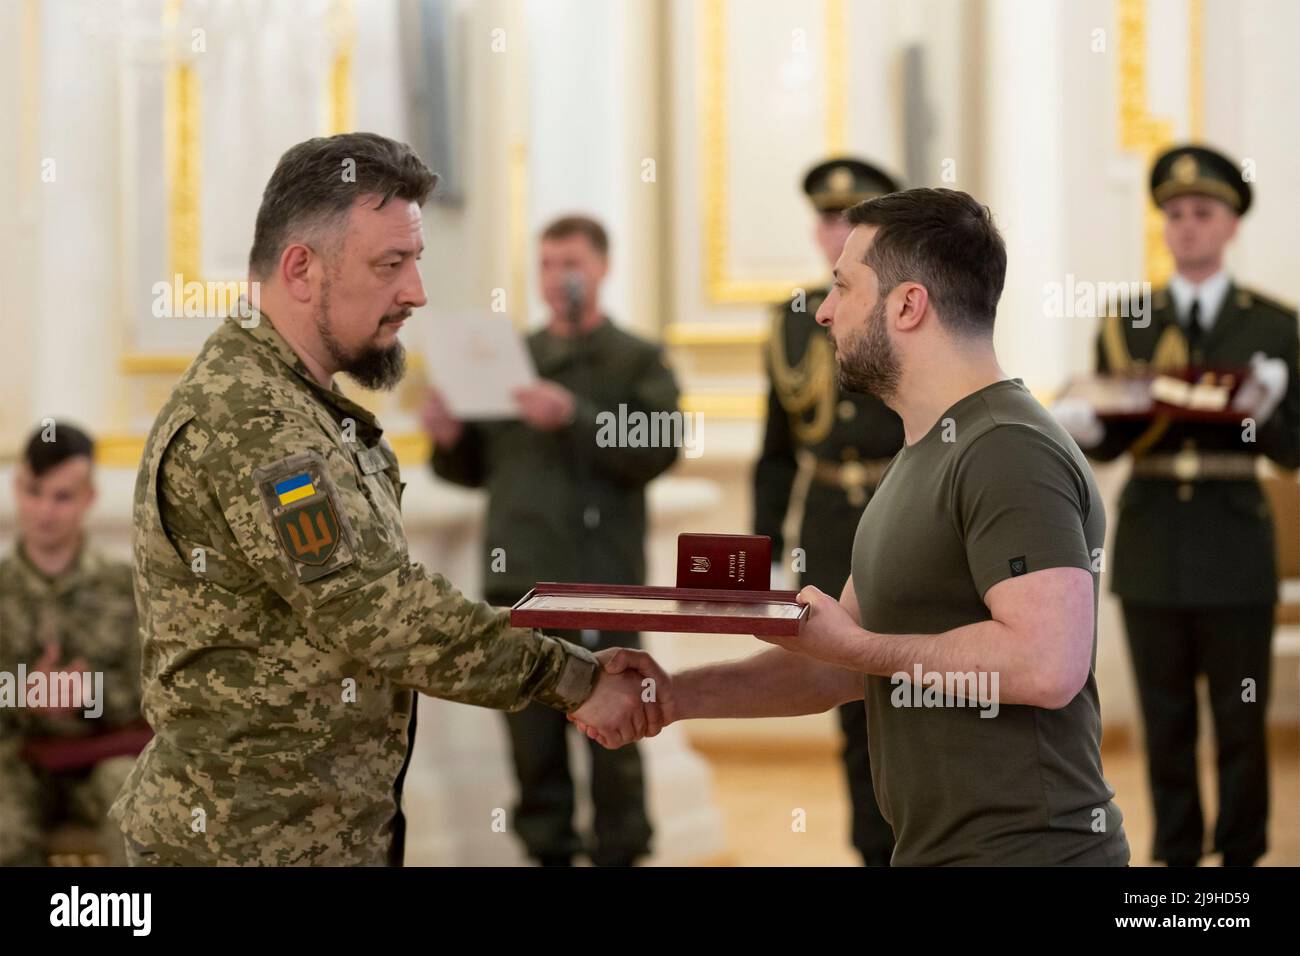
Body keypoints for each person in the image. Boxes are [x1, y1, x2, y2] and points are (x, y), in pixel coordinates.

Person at [109, 132, 660, 866]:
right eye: (390, 265)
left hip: (315, 834)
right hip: (244, 842)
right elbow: (380, 610)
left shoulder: (298, 403)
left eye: (416, 261)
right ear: (301, 269)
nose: (416, 292)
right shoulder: (253, 418)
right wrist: (573, 678)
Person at [577, 188, 1131, 866]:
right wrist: (672, 694)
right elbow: (836, 669)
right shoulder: (924, 450)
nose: (826, 310)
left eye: (844, 287)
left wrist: (857, 648)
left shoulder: (1008, 448)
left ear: (907, 305)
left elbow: (1045, 664)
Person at [1055, 144, 1298, 866]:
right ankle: (1178, 864)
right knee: (1164, 722)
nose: (1188, 226)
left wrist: (1270, 408)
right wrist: (1086, 429)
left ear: (1230, 226)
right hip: (1154, 538)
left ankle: (1245, 858)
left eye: (1204, 213)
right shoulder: (1127, 320)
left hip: (1234, 539)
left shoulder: (1274, 325)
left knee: (1241, 716)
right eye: (1176, 214)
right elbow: (1109, 444)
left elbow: (1293, 451)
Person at [423, 215, 680, 866]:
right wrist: (449, 435)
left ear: (601, 268)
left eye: (570, 262)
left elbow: (657, 446)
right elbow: (476, 470)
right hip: (522, 578)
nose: (556, 275)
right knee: (533, 747)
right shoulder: (515, 358)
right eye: (545, 263)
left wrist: (576, 416)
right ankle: (549, 853)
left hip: (603, 583)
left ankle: (622, 852)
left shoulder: (636, 358)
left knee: (615, 734)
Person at [754, 156, 903, 865]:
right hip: (825, 524)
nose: (835, 230)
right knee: (846, 697)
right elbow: (776, 450)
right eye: (827, 218)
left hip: (900, 511)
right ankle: (872, 852)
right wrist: (757, 556)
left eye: (853, 218)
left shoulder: (907, 307)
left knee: (913, 693)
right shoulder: (792, 319)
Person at [0, 424, 144, 867]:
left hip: (103, 757)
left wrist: (88, 698)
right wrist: (23, 695)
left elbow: (157, 691)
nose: (45, 510)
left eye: (62, 496)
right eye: (35, 491)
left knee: (140, 810)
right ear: (17, 488)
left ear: (88, 499)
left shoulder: (126, 586)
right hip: (17, 759)